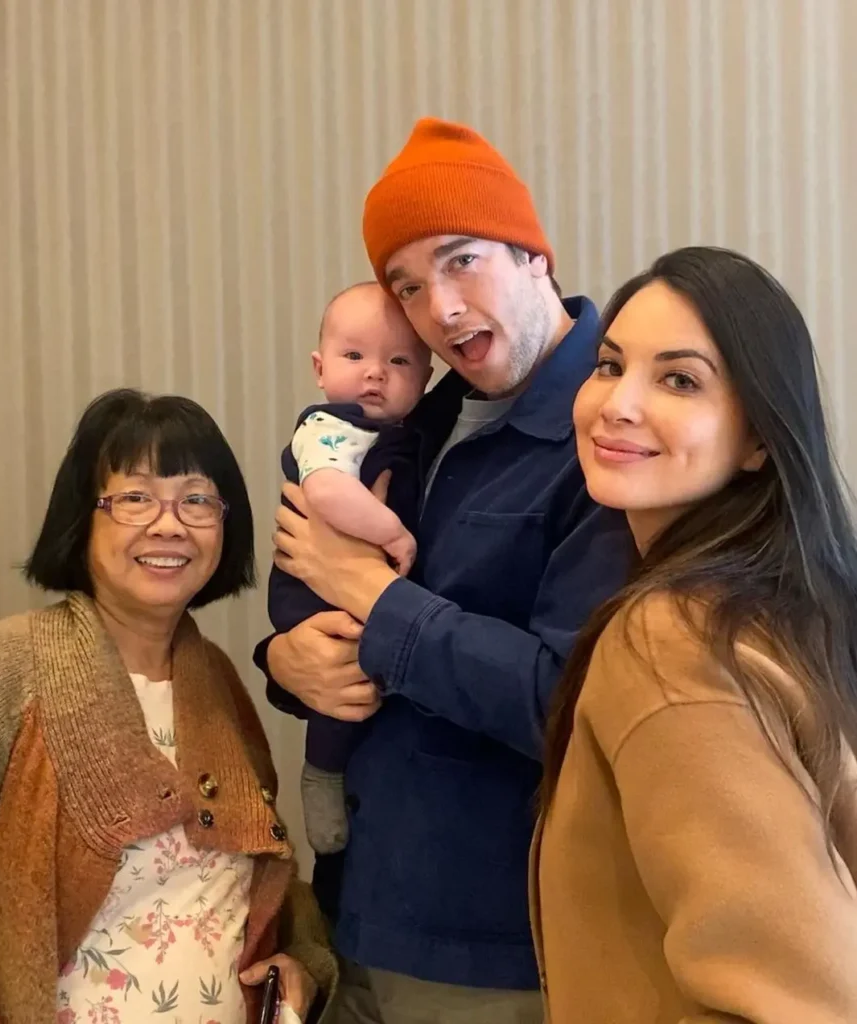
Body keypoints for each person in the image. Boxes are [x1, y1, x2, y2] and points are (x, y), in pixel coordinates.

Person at [255, 117, 632, 1021]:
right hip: (358, 902)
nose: (442, 308)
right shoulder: (412, 420)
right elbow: (316, 596)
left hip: (495, 939)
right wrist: (286, 661)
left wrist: (375, 601)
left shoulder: (613, 432)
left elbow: (576, 702)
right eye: (409, 285)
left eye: (462, 260)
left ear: (533, 256)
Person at [534, 246, 857, 1023]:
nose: (617, 403)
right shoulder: (774, 608)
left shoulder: (668, 642)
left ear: (756, 438)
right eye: (609, 365)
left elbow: (791, 998)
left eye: (678, 379)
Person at [0, 389, 336, 1024]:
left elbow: (257, 873)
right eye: (135, 498)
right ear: (82, 517)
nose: (170, 524)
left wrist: (301, 961)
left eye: (197, 500)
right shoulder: (8, 666)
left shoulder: (217, 678)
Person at [268, 282, 432, 856]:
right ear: (320, 367)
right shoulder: (329, 427)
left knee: (363, 679)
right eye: (355, 356)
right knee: (345, 674)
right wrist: (391, 532)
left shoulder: (406, 435)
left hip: (363, 591)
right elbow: (330, 492)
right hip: (311, 590)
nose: (375, 374)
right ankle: (322, 773)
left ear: (426, 376)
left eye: (399, 361)